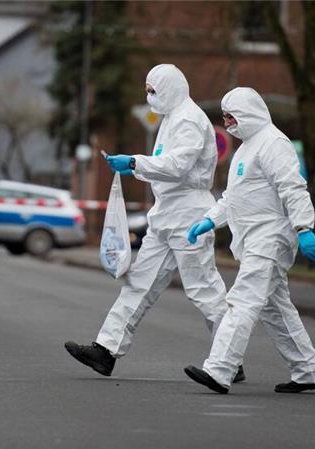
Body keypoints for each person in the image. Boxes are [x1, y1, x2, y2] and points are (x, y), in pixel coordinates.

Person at [64, 64, 245, 382]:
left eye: (153, 90)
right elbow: (164, 166)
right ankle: (105, 350)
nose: (149, 96)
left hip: (189, 216)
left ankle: (229, 357)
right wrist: (135, 166)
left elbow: (177, 165)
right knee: (138, 284)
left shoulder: (189, 120)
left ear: (170, 88)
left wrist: (134, 162)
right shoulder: (172, 118)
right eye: (147, 90)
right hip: (166, 216)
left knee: (203, 289)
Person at [184, 87, 315, 394]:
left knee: (243, 300)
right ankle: (308, 370)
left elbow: (293, 188)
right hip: (253, 239)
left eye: (230, 115)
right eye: (224, 116)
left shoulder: (274, 143)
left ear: (248, 112)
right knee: (275, 309)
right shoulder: (247, 147)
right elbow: (234, 198)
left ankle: (219, 370)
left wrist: (304, 228)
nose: (228, 121)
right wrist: (210, 219)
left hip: (270, 238)